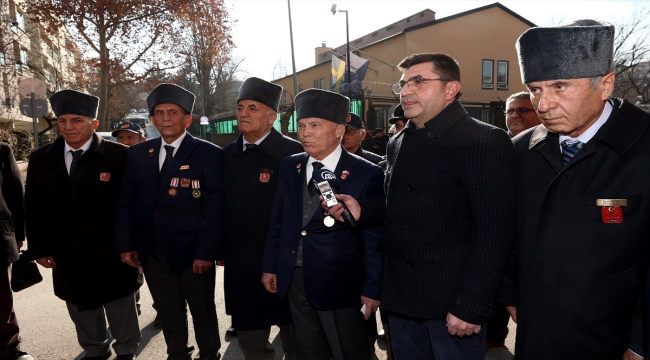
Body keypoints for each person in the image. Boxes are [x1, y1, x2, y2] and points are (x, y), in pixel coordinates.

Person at [327, 53, 517, 359]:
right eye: (403, 83)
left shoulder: (483, 140)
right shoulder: (398, 142)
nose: (406, 91)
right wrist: (366, 211)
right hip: (401, 299)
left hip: (451, 305)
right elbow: (401, 204)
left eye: (419, 81)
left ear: (451, 89)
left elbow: (495, 233)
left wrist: (471, 305)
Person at [498, 20, 650, 360]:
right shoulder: (520, 151)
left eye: (560, 86)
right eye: (535, 89)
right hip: (537, 331)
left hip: (615, 338)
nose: (544, 104)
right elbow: (506, 231)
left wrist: (641, 342)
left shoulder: (644, 148)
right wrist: (511, 294)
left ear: (606, 84)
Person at [262, 88, 384, 360]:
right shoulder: (290, 165)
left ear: (339, 130)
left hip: (342, 283)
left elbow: (374, 238)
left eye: (315, 125)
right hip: (295, 278)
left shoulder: (367, 173)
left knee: (349, 351)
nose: (305, 133)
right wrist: (271, 266)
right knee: (308, 350)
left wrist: (373, 288)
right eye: (302, 125)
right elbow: (279, 220)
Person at [26, 90, 142, 360]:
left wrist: (133, 244)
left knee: (120, 303)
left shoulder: (120, 156)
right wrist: (39, 248)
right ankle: (94, 349)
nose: (68, 127)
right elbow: (33, 208)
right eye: (63, 120)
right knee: (80, 304)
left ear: (94, 123)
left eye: (76, 120)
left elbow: (135, 205)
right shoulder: (41, 159)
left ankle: (126, 350)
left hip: (114, 251)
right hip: (67, 251)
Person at [115, 83, 224, 360]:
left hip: (193, 253)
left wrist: (206, 252)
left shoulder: (208, 153)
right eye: (159, 112)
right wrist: (126, 244)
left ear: (187, 119)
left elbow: (215, 207)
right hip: (152, 251)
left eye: (172, 112)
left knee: (202, 310)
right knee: (169, 311)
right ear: (151, 120)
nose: (165, 118)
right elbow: (126, 201)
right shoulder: (139, 153)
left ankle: (209, 354)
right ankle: (177, 354)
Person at [222, 77, 301, 360]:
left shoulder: (294, 154)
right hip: (242, 263)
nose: (243, 113)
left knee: (297, 340)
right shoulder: (227, 155)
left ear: (272, 117)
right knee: (252, 343)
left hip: (285, 261)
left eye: (253, 108)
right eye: (240, 107)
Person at [0, 143, 32, 360]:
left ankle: (9, 349)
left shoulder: (1, 150)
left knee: (2, 302)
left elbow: (15, 194)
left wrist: (19, 235)